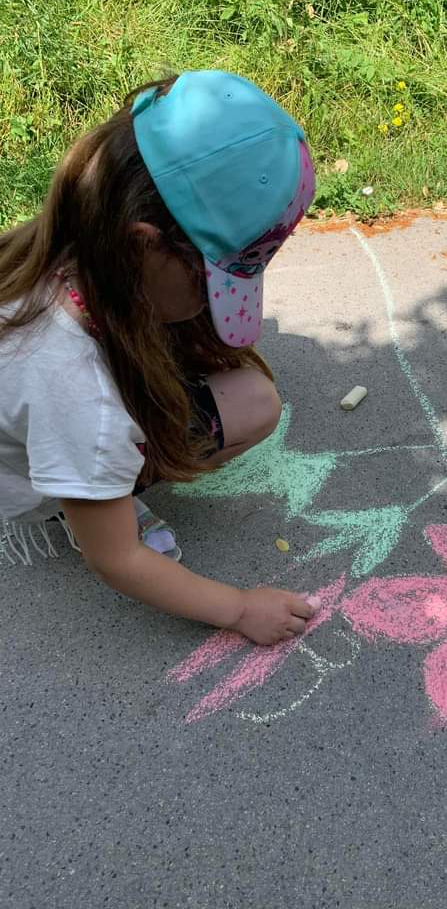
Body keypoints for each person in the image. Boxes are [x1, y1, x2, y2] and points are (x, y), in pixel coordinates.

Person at [0, 69, 316, 644]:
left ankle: (95, 487)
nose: (212, 301)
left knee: (251, 397)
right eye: (209, 281)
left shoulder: (74, 237)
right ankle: (88, 502)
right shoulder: (79, 398)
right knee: (251, 404)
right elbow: (117, 559)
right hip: (40, 466)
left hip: (50, 419)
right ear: (142, 246)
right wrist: (239, 609)